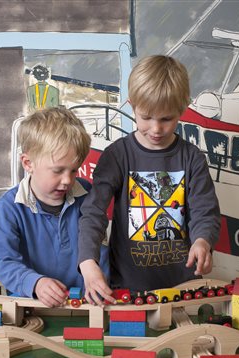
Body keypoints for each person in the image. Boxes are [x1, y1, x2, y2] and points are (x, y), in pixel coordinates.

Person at [78, 55, 221, 305]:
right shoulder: (116, 155)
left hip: (184, 287)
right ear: (132, 105)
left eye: (166, 119)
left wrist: (202, 240)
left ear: (181, 109)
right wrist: (88, 263)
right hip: (127, 287)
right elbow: (93, 212)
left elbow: (204, 211)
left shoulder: (192, 158)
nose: (156, 129)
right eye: (146, 117)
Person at [0, 107, 108, 307]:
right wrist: (35, 283)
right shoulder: (8, 208)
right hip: (32, 307)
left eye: (74, 170)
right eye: (58, 170)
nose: (67, 180)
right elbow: (3, 261)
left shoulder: (87, 196)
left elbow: (100, 247)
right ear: (28, 163)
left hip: (86, 306)